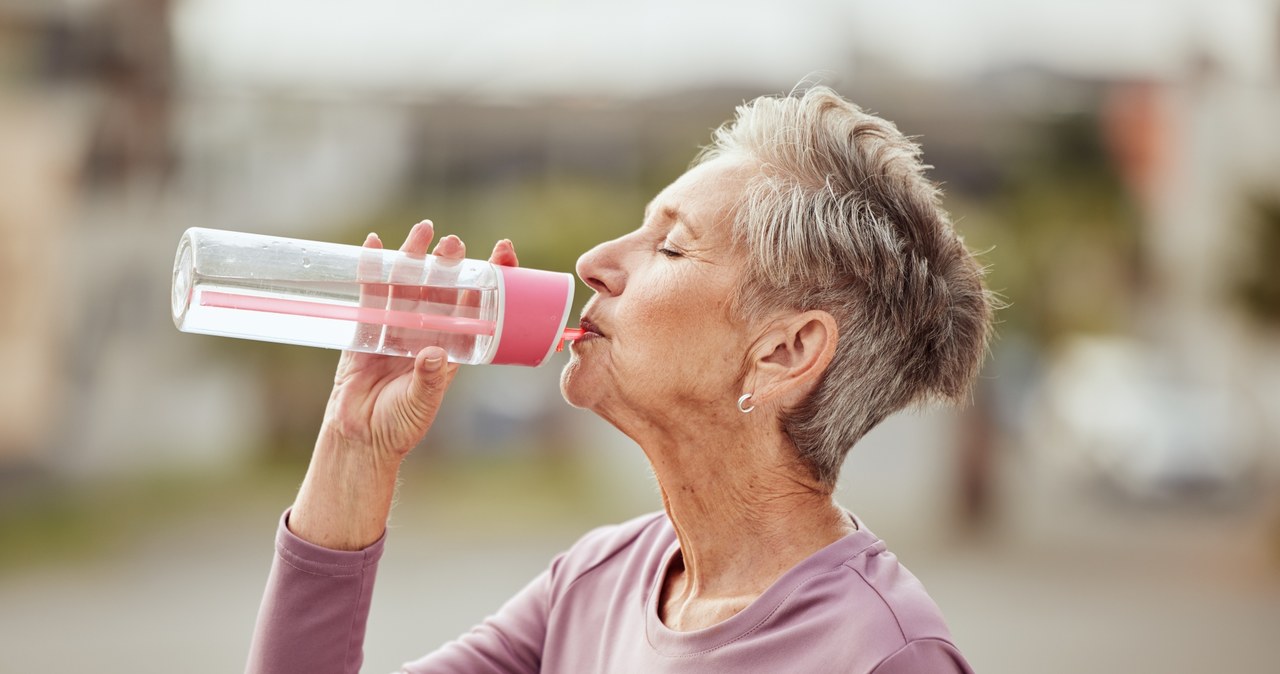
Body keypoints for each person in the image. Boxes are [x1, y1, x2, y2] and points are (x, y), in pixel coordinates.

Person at [246, 86, 993, 673]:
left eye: (668, 246)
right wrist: (355, 446)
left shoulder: (883, 654)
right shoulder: (596, 582)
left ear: (784, 351)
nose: (594, 261)